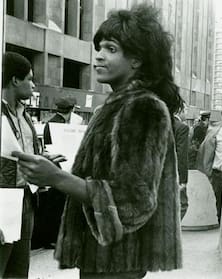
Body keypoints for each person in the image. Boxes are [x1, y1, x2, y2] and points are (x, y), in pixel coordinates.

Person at [12, 4, 183, 278]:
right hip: (103, 253)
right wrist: (54, 171)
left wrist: (57, 179)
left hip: (119, 259)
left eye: (111, 49)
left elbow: (132, 201)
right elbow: (105, 177)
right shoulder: (112, 107)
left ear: (136, 59)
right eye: (99, 49)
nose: (99, 57)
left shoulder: (142, 108)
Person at [0, 52, 64, 278]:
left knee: (19, 270)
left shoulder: (24, 115)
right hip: (4, 202)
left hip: (26, 199)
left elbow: (25, 153)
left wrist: (44, 158)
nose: (34, 85)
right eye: (30, 78)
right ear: (15, 80)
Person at [31, 96, 79, 249]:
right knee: (55, 206)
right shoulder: (61, 126)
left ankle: (51, 237)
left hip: (53, 169)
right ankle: (51, 238)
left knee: (54, 205)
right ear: (70, 110)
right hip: (59, 170)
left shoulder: (51, 123)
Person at [174, 107, 190, 220]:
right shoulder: (181, 127)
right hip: (175, 173)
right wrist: (183, 179)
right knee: (182, 204)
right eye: (186, 109)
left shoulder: (158, 123)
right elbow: (182, 155)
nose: (187, 112)